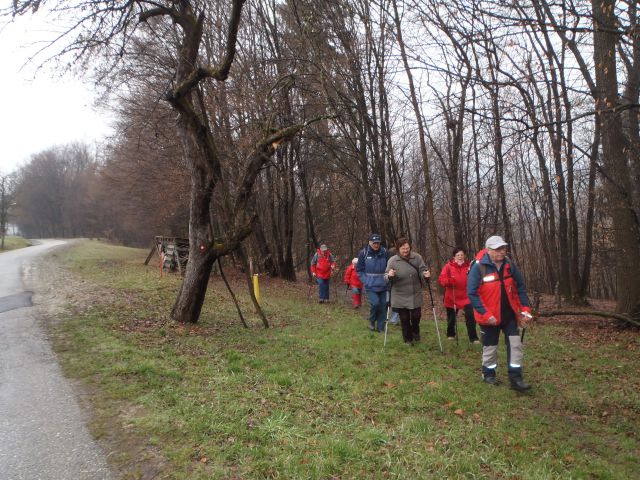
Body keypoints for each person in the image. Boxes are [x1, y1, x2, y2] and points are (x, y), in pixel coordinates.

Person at [467, 235, 533, 392]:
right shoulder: (478, 268)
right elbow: (472, 293)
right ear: (488, 250)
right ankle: (488, 373)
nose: (502, 251)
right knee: (490, 347)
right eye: (497, 249)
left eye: (503, 248)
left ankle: (516, 378)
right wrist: (485, 313)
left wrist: (525, 309)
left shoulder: (510, 265)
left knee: (516, 345)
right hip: (489, 317)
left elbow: (520, 287)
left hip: (509, 315)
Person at [385, 237, 431, 345]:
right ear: (398, 249)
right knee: (404, 318)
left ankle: (415, 331)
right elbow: (385, 276)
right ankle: (408, 339)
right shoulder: (392, 260)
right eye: (403, 249)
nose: (405, 250)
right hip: (399, 294)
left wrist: (426, 275)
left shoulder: (417, 258)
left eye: (407, 248)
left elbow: (423, 270)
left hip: (415, 292)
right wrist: (390, 275)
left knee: (416, 316)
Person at [438, 247, 480, 343]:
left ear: (464, 256)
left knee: (470, 316)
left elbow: (476, 277)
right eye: (458, 255)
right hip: (452, 296)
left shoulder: (470, 266)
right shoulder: (448, 266)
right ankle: (451, 334)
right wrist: (448, 281)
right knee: (451, 318)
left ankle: (473, 338)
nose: (460, 257)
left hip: (466, 296)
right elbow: (441, 279)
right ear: (454, 256)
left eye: (462, 255)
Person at [356, 234, 390, 332]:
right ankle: (371, 321)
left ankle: (380, 327)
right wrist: (365, 280)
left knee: (384, 305)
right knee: (375, 304)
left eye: (378, 243)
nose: (376, 245)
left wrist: (389, 277)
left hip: (384, 284)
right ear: (370, 243)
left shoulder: (385, 252)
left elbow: (390, 266)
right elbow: (359, 270)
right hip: (370, 285)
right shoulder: (364, 253)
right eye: (374, 243)